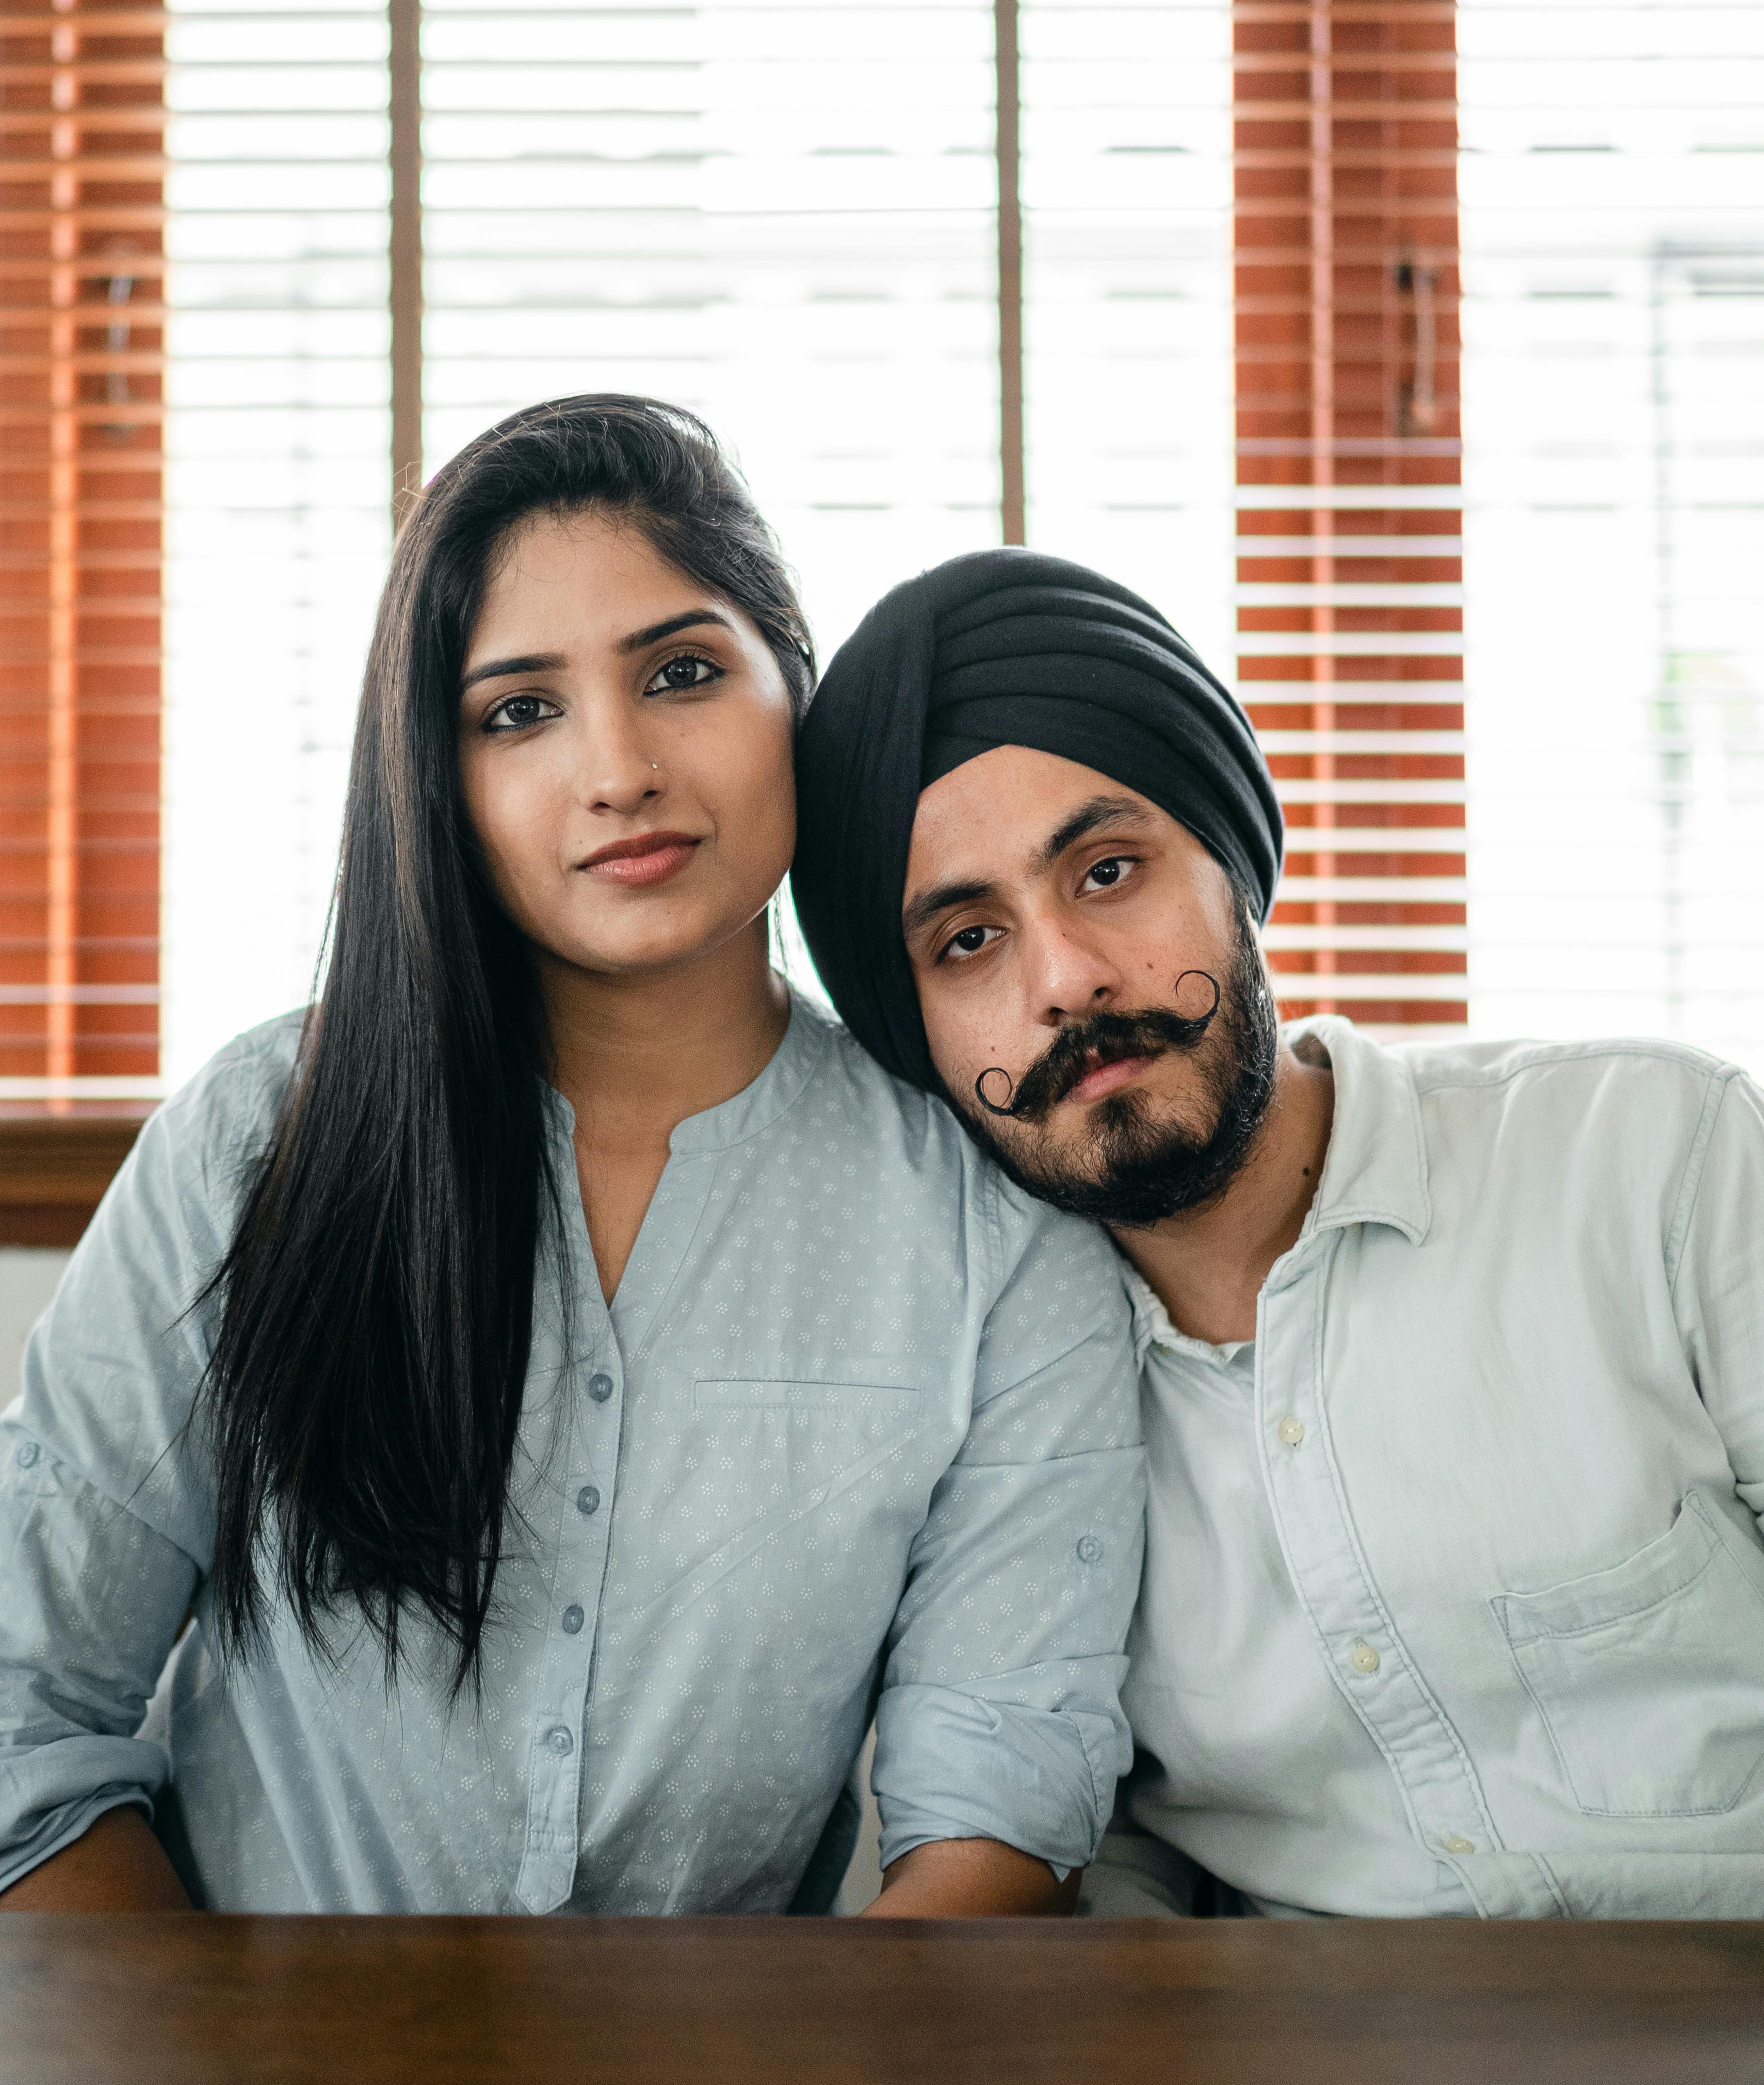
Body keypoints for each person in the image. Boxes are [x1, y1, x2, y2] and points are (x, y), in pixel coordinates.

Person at [0, 409, 1144, 1918]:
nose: (619, 770)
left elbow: (995, 1807)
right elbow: (26, 1723)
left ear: (790, 692)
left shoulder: (987, 1222)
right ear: (439, 778)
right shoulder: (252, 1142)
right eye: (517, 713)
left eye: (681, 673)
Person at [791, 545, 1764, 1923]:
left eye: (1109, 871)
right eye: (966, 944)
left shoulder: (1653, 1156)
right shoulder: (992, 1425)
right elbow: (1081, 1851)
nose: (1064, 979)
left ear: (1230, 865)